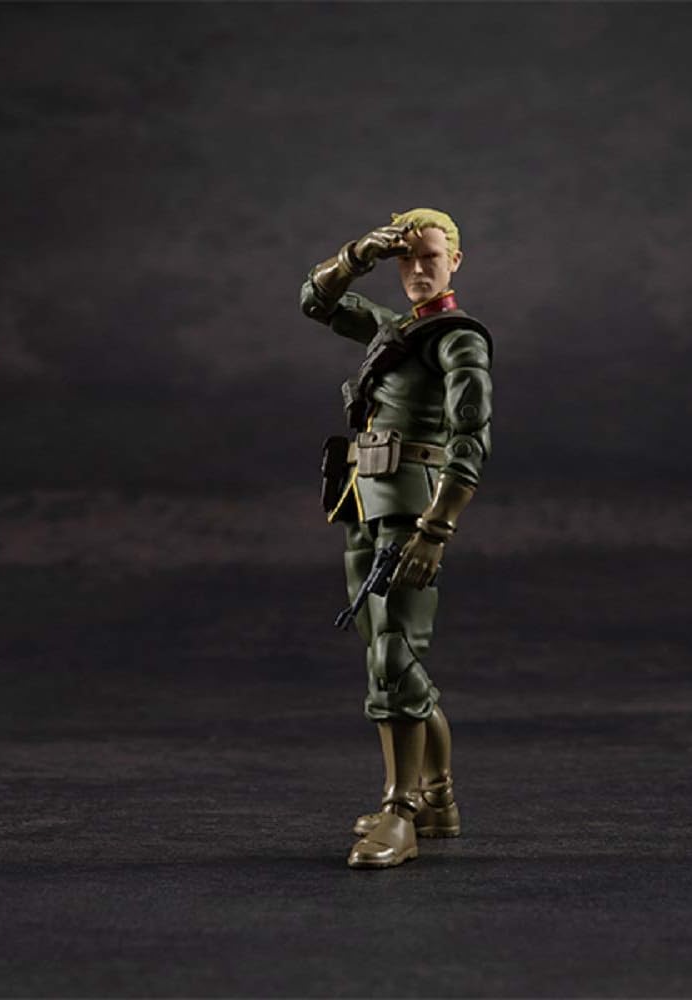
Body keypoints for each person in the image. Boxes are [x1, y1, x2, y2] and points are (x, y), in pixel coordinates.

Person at [300, 208, 493, 868]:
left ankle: (401, 810)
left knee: (392, 658)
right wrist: (361, 253)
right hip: (364, 502)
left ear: (454, 261)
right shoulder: (395, 330)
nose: (416, 269)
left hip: (412, 512)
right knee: (391, 657)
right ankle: (437, 798)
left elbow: (470, 443)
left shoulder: (457, 341)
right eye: (405, 258)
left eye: (428, 256)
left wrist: (436, 530)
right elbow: (316, 300)